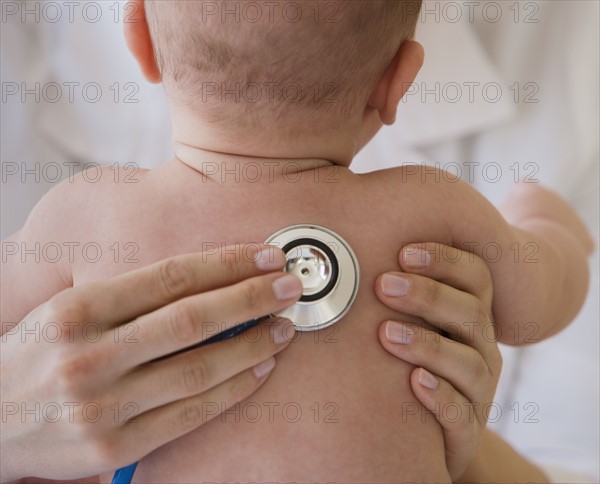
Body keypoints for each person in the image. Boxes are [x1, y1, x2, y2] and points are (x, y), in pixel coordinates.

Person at [0, 0, 592, 482]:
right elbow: (538, 306)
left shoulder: (85, 214)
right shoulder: (432, 205)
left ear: (141, 44)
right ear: (397, 82)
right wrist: (553, 227)